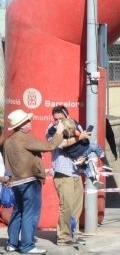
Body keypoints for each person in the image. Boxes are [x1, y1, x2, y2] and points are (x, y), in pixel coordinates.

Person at [4, 109, 64, 255]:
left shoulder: (8, 141)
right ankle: (27, 246)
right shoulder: (25, 138)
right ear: (21, 125)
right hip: (30, 181)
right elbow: (49, 146)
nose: (31, 122)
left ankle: (12, 244)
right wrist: (59, 132)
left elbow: (7, 163)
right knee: (30, 214)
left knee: (18, 212)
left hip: (15, 182)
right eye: (27, 121)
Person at [46, 105, 91, 246]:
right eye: (55, 119)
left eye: (61, 118)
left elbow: (85, 143)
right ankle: (63, 237)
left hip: (76, 172)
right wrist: (79, 138)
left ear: (67, 116)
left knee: (76, 206)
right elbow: (61, 144)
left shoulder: (75, 126)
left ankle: (72, 233)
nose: (58, 121)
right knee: (66, 206)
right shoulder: (51, 129)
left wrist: (83, 157)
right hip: (63, 173)